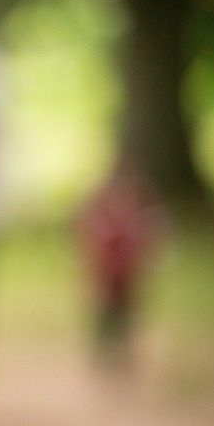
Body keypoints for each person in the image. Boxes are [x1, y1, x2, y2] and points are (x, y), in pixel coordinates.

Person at [76, 158, 163, 371]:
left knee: (123, 310)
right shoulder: (103, 203)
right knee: (106, 308)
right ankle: (104, 350)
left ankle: (121, 352)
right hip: (107, 267)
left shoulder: (136, 203)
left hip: (124, 268)